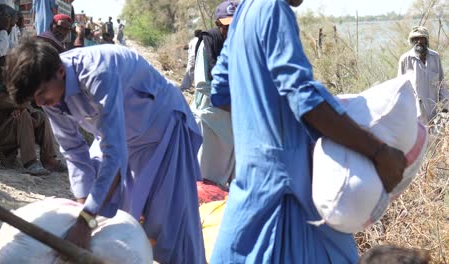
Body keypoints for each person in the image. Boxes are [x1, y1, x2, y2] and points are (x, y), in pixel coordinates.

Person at [208, 0, 407, 263]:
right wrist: (379, 152)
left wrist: (262, 120)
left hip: (251, 190)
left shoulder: (244, 11)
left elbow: (220, 92)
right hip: (289, 193)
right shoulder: (273, 8)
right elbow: (301, 96)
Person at [4, 40, 205, 264]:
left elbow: (115, 155)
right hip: (116, 134)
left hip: (160, 128)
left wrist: (86, 220)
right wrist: (83, 209)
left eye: (42, 93)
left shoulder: (98, 73)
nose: (41, 103)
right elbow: (73, 150)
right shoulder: (49, 95)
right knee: (115, 217)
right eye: (34, 99)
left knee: (167, 226)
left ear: (61, 72)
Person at [0, 56, 65, 175]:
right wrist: (22, 107)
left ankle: (49, 159)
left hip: (13, 130)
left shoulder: (13, 89)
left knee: (40, 116)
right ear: (1, 72)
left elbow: (26, 103)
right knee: (23, 115)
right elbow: (22, 102)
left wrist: (22, 108)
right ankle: (30, 162)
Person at [191, 1, 237, 188]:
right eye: (225, 26)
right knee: (205, 180)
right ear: (218, 24)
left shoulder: (241, 44)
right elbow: (203, 84)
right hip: (210, 120)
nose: (230, 30)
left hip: (234, 121)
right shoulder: (208, 42)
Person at [398, 26, 448, 124]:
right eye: (416, 38)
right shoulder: (405, 59)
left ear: (426, 40)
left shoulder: (435, 57)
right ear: (412, 41)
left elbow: (442, 84)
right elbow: (401, 88)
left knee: (435, 138)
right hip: (414, 114)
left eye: (422, 38)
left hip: (435, 114)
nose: (419, 41)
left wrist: (445, 107)